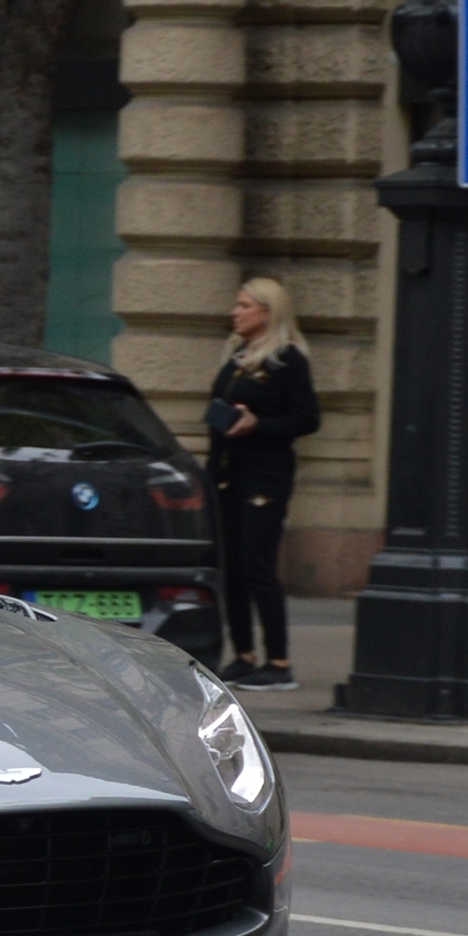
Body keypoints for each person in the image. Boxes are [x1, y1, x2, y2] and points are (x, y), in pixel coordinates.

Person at [210, 276, 319, 689]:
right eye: (236, 306)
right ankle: (243, 655)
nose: (234, 313)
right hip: (226, 473)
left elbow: (308, 418)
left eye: (243, 306)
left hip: (264, 476)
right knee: (233, 567)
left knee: (258, 566)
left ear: (266, 313)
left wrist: (259, 425)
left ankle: (279, 662)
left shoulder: (287, 360)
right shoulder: (238, 355)